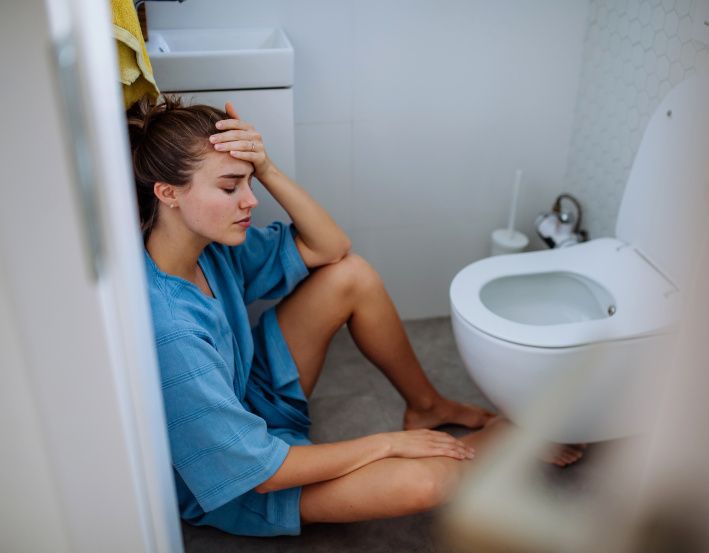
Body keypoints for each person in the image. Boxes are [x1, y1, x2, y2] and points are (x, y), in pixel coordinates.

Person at [127, 96, 584, 537]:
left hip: (247, 396)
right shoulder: (170, 330)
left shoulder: (208, 249)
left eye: (249, 183)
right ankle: (507, 442)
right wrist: (386, 444)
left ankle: (427, 406)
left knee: (351, 275)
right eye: (230, 187)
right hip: (237, 480)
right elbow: (261, 471)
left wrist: (267, 168)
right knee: (428, 482)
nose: (250, 200)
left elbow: (331, 247)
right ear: (168, 194)